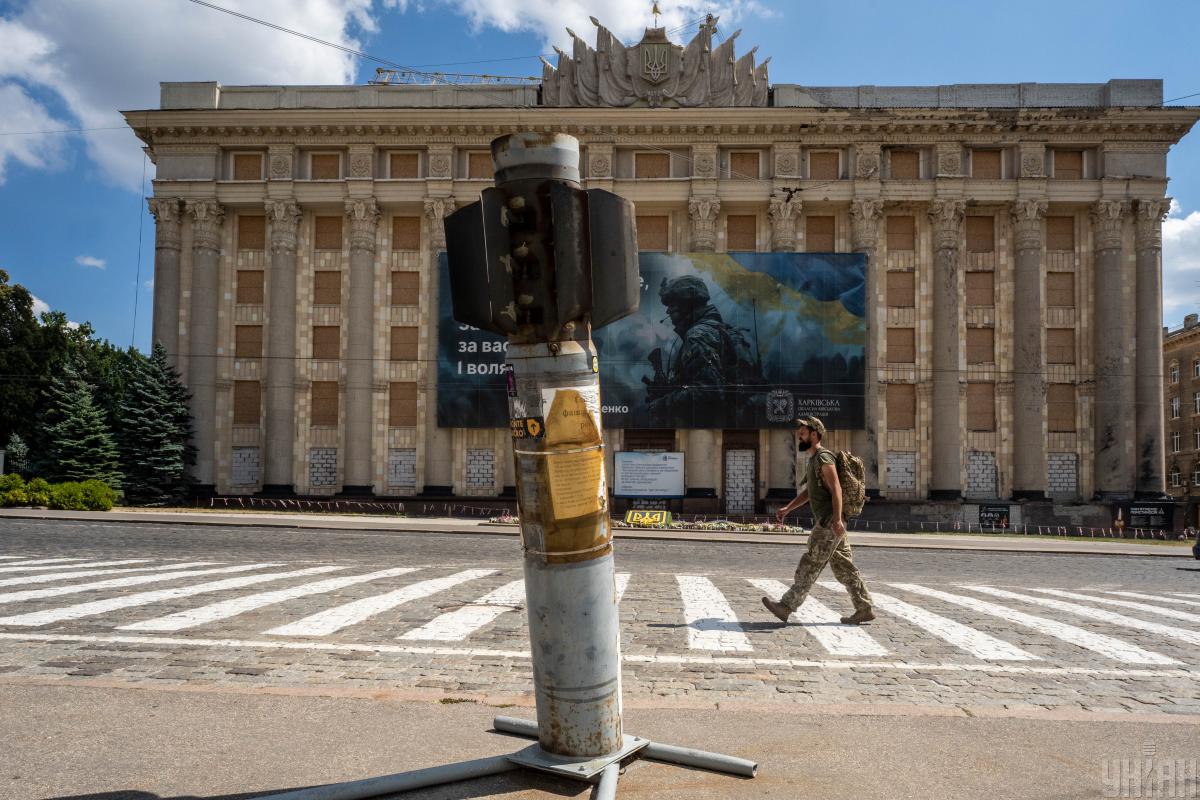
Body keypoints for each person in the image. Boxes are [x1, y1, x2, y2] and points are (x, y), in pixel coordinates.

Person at [762, 415, 876, 625]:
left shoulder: (824, 458)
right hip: (832, 521)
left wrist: (837, 520)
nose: (800, 437)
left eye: (803, 434)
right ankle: (864, 607)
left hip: (829, 522)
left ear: (814, 435)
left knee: (810, 563)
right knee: (844, 567)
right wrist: (789, 507)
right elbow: (809, 493)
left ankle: (786, 606)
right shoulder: (815, 460)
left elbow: (837, 490)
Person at [642, 275, 761, 426]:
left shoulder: (698, 335)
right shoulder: (719, 330)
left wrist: (661, 405)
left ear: (686, 304)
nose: (668, 311)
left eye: (672, 304)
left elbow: (707, 391)